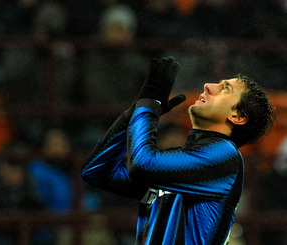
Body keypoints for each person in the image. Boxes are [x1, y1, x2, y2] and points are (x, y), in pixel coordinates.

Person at [81, 56, 275, 244]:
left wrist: (147, 107)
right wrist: (135, 113)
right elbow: (96, 172)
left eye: (225, 89)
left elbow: (141, 163)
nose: (209, 85)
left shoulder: (226, 155)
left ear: (238, 116)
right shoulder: (182, 164)